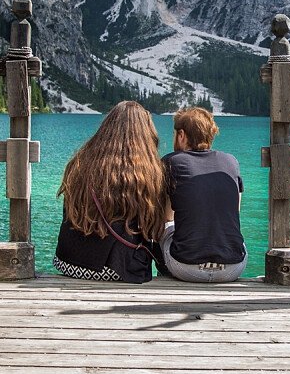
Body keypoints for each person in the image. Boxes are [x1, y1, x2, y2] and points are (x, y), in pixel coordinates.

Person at [53, 101, 167, 282]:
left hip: (69, 263)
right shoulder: (146, 172)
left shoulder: (80, 162)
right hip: (117, 268)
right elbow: (153, 227)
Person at [161, 107, 246, 282]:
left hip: (185, 268)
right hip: (233, 268)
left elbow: (166, 216)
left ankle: (164, 275)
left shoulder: (171, 162)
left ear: (182, 135)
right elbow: (235, 211)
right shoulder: (230, 161)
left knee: (163, 228)